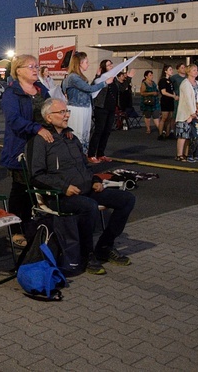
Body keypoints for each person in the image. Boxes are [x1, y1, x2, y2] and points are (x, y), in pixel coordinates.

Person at [31, 98, 135, 275]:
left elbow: (85, 166)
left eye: (67, 112)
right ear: (48, 117)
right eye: (62, 112)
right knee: (89, 206)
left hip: (85, 190)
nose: (66, 115)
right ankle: (86, 254)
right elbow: (37, 175)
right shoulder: (41, 141)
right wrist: (64, 187)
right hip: (59, 196)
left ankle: (105, 246)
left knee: (126, 199)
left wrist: (95, 180)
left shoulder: (72, 138)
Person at [0, 54, 51, 248]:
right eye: (30, 66)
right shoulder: (12, 94)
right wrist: (37, 128)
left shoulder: (42, 90)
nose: (35, 69)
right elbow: (14, 120)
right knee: (20, 190)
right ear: (18, 70)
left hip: (41, 147)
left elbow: (49, 112)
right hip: (20, 147)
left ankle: (31, 225)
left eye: (36, 66)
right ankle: (15, 230)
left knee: (34, 188)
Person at [61, 51, 111, 155]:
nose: (88, 64)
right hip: (77, 108)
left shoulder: (78, 77)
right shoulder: (73, 77)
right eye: (86, 62)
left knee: (84, 133)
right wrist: (105, 83)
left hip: (84, 108)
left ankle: (81, 156)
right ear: (80, 63)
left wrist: (97, 78)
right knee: (77, 133)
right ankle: (75, 156)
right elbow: (88, 88)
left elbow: (88, 89)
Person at [90, 59, 130, 162]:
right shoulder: (102, 78)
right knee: (99, 131)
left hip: (111, 108)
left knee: (107, 131)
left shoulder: (114, 79)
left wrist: (129, 78)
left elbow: (121, 89)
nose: (111, 66)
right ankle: (91, 154)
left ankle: (101, 153)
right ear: (104, 67)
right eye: (108, 65)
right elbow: (93, 87)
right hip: (101, 107)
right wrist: (97, 76)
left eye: (111, 64)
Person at [174, 64, 198, 162]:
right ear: (189, 72)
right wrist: (192, 112)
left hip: (196, 112)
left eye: (196, 70)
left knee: (191, 136)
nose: (196, 72)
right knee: (183, 134)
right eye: (194, 70)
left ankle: (188, 154)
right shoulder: (185, 83)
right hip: (185, 113)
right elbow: (187, 99)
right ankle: (179, 154)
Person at [157, 65, 178, 140]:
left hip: (171, 101)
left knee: (170, 117)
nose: (171, 71)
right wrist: (173, 96)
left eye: (172, 69)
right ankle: (160, 134)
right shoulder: (163, 80)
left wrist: (174, 95)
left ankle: (168, 133)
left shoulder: (170, 81)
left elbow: (172, 90)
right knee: (164, 117)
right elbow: (164, 92)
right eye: (170, 69)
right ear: (165, 71)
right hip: (165, 100)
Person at [139, 70, 162, 135]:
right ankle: (148, 128)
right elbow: (142, 93)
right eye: (150, 75)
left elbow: (157, 91)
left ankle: (160, 128)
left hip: (155, 102)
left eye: (152, 75)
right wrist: (151, 93)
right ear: (146, 76)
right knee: (147, 116)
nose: (151, 76)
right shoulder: (144, 83)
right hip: (147, 102)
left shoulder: (153, 83)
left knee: (156, 116)